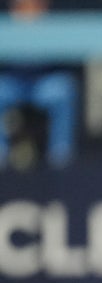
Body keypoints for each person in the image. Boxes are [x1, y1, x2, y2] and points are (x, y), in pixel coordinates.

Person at [0, 0, 78, 170]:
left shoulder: (52, 25)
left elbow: (64, 58)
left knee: (62, 89)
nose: (28, 7)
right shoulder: (6, 24)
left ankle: (60, 154)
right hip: (14, 82)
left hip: (43, 83)